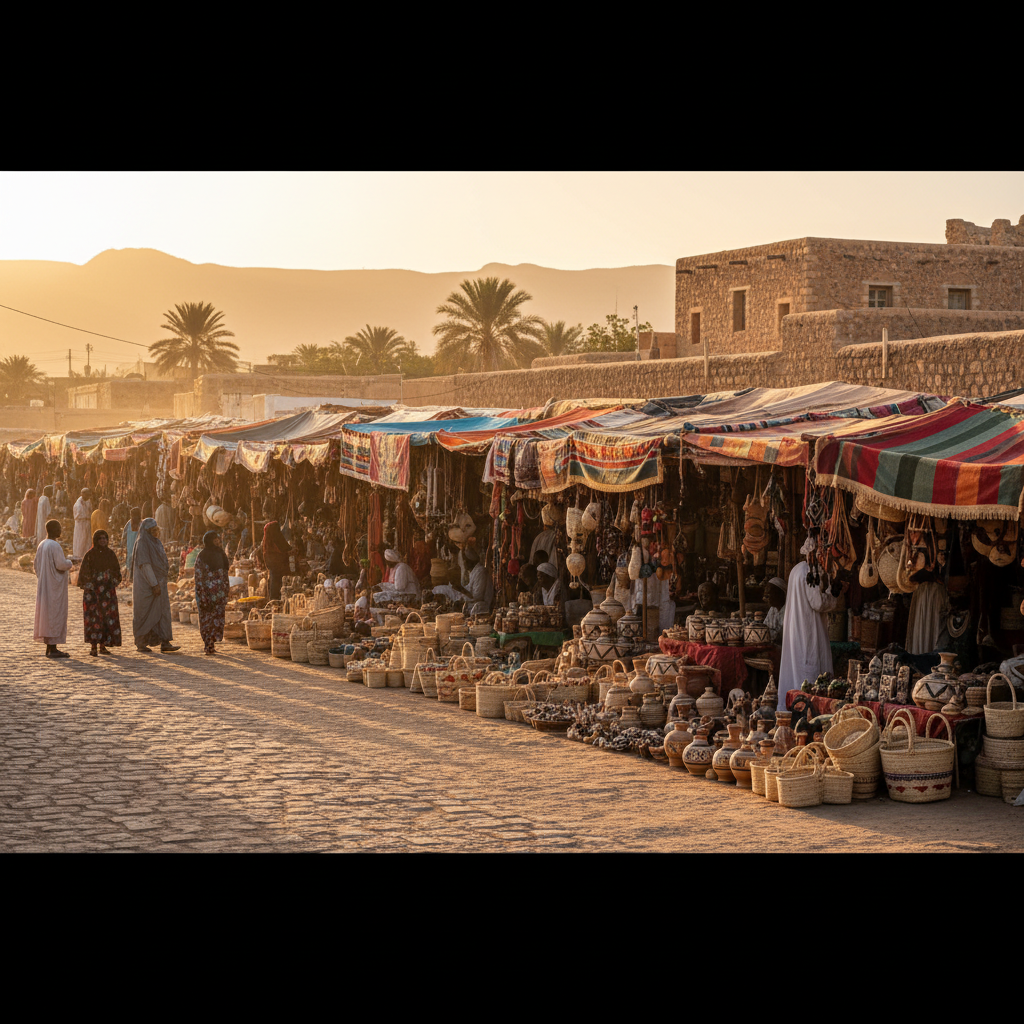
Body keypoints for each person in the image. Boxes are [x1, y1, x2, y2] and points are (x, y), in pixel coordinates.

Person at [776, 556, 840, 712]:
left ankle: (792, 708)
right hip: (808, 629)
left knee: (796, 668)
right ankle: (807, 711)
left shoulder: (797, 568)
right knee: (809, 670)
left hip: (798, 627)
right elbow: (817, 602)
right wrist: (834, 595)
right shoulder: (810, 571)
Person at [131, 518, 180, 653]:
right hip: (147, 586)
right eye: (153, 531)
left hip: (160, 584)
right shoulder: (142, 543)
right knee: (145, 614)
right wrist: (154, 584)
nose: (155, 533)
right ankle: (141, 642)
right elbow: (145, 565)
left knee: (163, 612)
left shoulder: (156, 542)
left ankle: (165, 641)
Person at [34, 519, 76, 658]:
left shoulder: (42, 544)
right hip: (54, 588)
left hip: (45, 585)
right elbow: (61, 564)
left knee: (47, 615)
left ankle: (50, 647)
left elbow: (36, 566)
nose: (60, 530)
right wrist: (70, 562)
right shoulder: (54, 545)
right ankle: (52, 648)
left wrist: (44, 577)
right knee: (54, 614)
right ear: (52, 529)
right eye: (58, 527)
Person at [77, 529, 122, 655]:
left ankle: (103, 646)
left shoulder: (110, 554)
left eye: (105, 538)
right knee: (93, 619)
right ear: (96, 540)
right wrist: (92, 584)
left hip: (107, 593)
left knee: (106, 618)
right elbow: (84, 574)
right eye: (100, 538)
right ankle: (93, 647)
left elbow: (116, 572)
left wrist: (110, 581)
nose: (103, 540)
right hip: (93, 594)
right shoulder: (90, 555)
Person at [194, 530, 230, 655]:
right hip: (207, 594)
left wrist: (226, 589)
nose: (218, 541)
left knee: (217, 618)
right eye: (215, 539)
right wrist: (202, 594)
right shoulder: (202, 556)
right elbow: (199, 577)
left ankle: (212, 643)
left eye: (218, 539)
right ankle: (208, 645)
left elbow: (225, 572)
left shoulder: (220, 553)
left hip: (219, 594)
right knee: (207, 619)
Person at [262, 521, 291, 600]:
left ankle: (274, 601)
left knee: (274, 584)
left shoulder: (268, 541)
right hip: (278, 568)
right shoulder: (274, 539)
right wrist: (289, 553)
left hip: (275, 568)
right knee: (277, 584)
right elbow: (284, 550)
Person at [764, 576, 787, 644]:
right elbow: (765, 629)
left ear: (780, 594)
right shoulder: (772, 609)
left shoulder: (789, 610)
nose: (766, 598)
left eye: (769, 594)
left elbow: (782, 636)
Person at [73, 488, 93, 558]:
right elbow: (77, 516)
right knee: (80, 540)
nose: (88, 496)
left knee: (87, 540)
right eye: (87, 495)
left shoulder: (88, 501)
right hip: (80, 524)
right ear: (83, 494)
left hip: (87, 523)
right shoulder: (78, 504)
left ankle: (86, 555)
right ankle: (78, 555)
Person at [123, 507, 143, 577]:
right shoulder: (142, 524)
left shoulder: (129, 524)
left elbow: (124, 536)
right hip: (136, 549)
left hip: (131, 548)